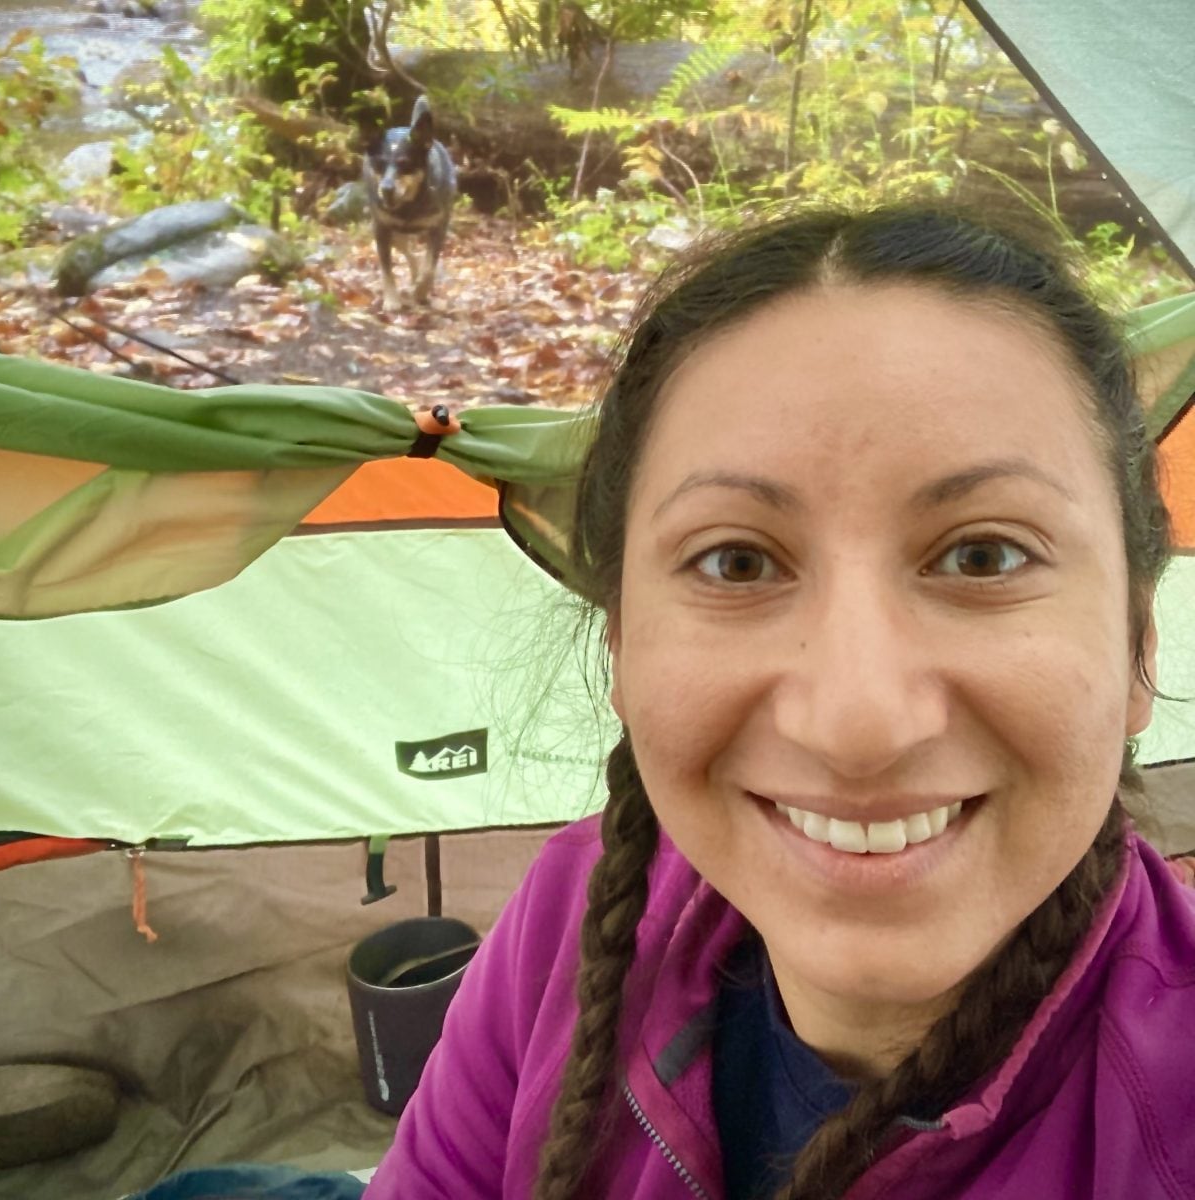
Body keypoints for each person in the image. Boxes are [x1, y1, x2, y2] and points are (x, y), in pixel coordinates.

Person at [364, 206, 1195, 1199]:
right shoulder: (570, 921)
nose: (857, 724)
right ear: (622, 644)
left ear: (1138, 642)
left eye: (983, 555)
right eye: (736, 561)